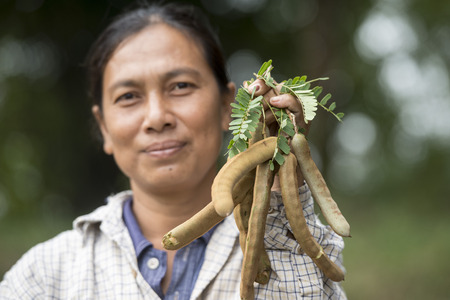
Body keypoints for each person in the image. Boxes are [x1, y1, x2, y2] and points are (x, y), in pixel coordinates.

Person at [0, 2, 346, 299]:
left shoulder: (287, 243)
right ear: (104, 126)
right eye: (128, 96)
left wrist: (280, 187)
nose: (156, 117)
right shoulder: (45, 274)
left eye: (181, 86)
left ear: (229, 106)